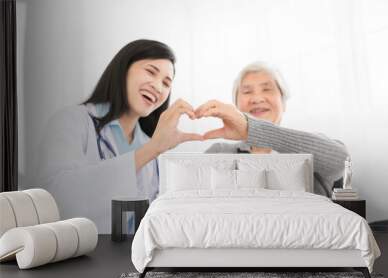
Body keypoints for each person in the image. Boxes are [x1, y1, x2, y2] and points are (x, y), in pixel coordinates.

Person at [36, 39, 202, 232]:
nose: (158, 87)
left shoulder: (150, 146)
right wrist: (151, 150)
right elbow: (57, 198)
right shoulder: (72, 121)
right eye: (150, 71)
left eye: (166, 83)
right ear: (123, 68)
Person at [196, 62, 349, 196]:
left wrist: (252, 130)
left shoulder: (309, 146)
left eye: (267, 89)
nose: (257, 99)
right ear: (235, 106)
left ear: (283, 102)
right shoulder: (220, 152)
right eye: (247, 92)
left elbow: (341, 161)